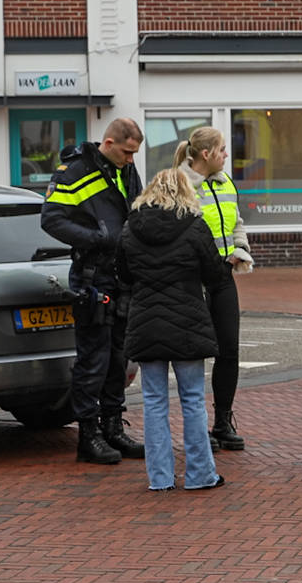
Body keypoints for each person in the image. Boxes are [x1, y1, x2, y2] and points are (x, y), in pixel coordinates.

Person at [40, 117, 147, 465]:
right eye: (128, 153)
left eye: (135, 155)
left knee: (119, 357)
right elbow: (52, 220)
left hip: (123, 277)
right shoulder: (76, 171)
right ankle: (88, 436)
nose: (131, 160)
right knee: (93, 360)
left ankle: (113, 427)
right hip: (93, 277)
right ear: (110, 142)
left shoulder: (126, 170)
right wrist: (99, 239)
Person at [116, 167, 229, 492]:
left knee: (153, 401)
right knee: (192, 399)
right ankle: (200, 475)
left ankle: (160, 478)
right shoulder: (195, 226)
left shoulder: (130, 228)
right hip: (187, 323)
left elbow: (123, 275)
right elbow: (214, 275)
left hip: (145, 322)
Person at [177, 126, 252, 452]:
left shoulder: (225, 182)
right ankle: (195, 426)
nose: (226, 156)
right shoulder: (178, 185)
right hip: (191, 280)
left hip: (223, 276)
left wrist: (240, 250)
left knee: (228, 351)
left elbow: (235, 221)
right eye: (222, 150)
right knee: (192, 353)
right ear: (205, 154)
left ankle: (222, 422)